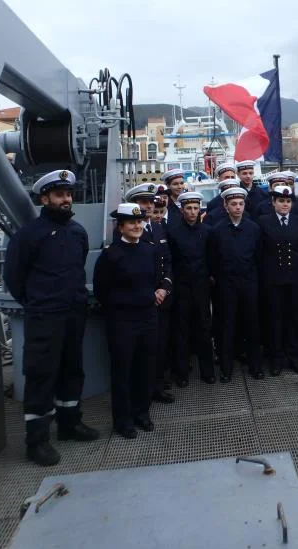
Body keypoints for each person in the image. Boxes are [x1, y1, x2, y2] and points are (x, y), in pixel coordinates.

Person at [3, 169, 99, 466]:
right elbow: (14, 278)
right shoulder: (28, 235)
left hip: (72, 313)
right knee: (42, 375)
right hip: (44, 316)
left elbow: (77, 266)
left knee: (72, 369)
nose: (66, 200)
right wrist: (38, 302)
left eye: (68, 194)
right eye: (59, 195)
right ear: (44, 198)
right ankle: (37, 440)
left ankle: (69, 424)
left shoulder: (77, 232)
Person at [93, 203, 172, 439]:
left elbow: (158, 278)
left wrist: (160, 290)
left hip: (148, 318)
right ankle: (123, 419)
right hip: (123, 321)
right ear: (121, 227)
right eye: (131, 223)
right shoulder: (110, 255)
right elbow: (102, 291)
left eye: (139, 222)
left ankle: (142, 413)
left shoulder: (148, 250)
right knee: (123, 371)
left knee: (146, 368)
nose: (137, 226)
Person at [208, 186, 263, 381]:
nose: (238, 207)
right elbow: (213, 259)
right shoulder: (217, 231)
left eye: (241, 204)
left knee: (252, 326)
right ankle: (226, 368)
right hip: (227, 285)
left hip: (248, 283)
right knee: (227, 327)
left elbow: (258, 257)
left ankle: (255, 366)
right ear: (225, 205)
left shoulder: (253, 228)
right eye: (233, 204)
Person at [127, 183, 174, 403]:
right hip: (142, 301)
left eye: (149, 202)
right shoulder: (129, 232)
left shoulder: (157, 229)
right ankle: (143, 390)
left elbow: (167, 262)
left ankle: (157, 384)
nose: (147, 206)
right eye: (142, 202)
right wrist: (150, 293)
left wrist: (164, 288)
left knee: (160, 344)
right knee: (142, 350)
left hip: (161, 298)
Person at [257, 185, 298, 376]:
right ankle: (276, 359)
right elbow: (260, 252)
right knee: (275, 319)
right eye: (281, 201)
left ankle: (295, 358)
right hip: (273, 278)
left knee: (295, 319)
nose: (285, 205)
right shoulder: (263, 221)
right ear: (273, 202)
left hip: (295, 277)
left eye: (288, 201)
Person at [167, 191, 216, 384]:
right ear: (182, 210)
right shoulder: (173, 233)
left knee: (204, 330)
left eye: (196, 208)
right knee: (182, 331)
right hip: (182, 288)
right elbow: (171, 261)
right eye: (189, 208)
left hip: (202, 288)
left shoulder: (207, 232)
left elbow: (212, 258)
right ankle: (181, 374)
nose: (193, 212)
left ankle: (207, 371)